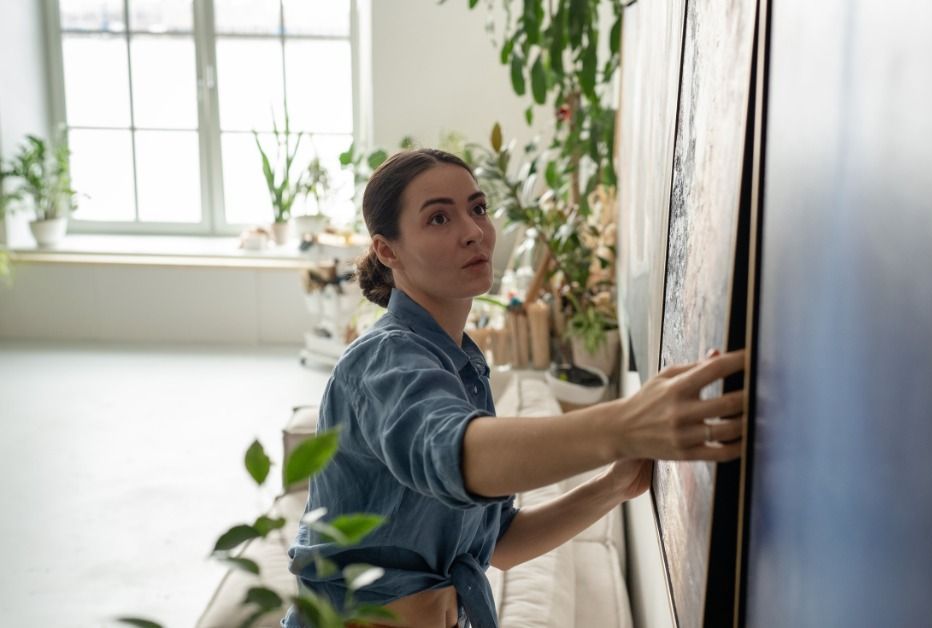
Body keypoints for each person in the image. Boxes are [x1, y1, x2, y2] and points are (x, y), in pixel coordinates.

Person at [282, 148, 745, 628]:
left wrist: (614, 486)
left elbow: (500, 543)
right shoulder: (382, 360)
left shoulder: (462, 365)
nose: (473, 232)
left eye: (478, 208)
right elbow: (460, 457)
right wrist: (628, 424)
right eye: (439, 218)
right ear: (387, 250)